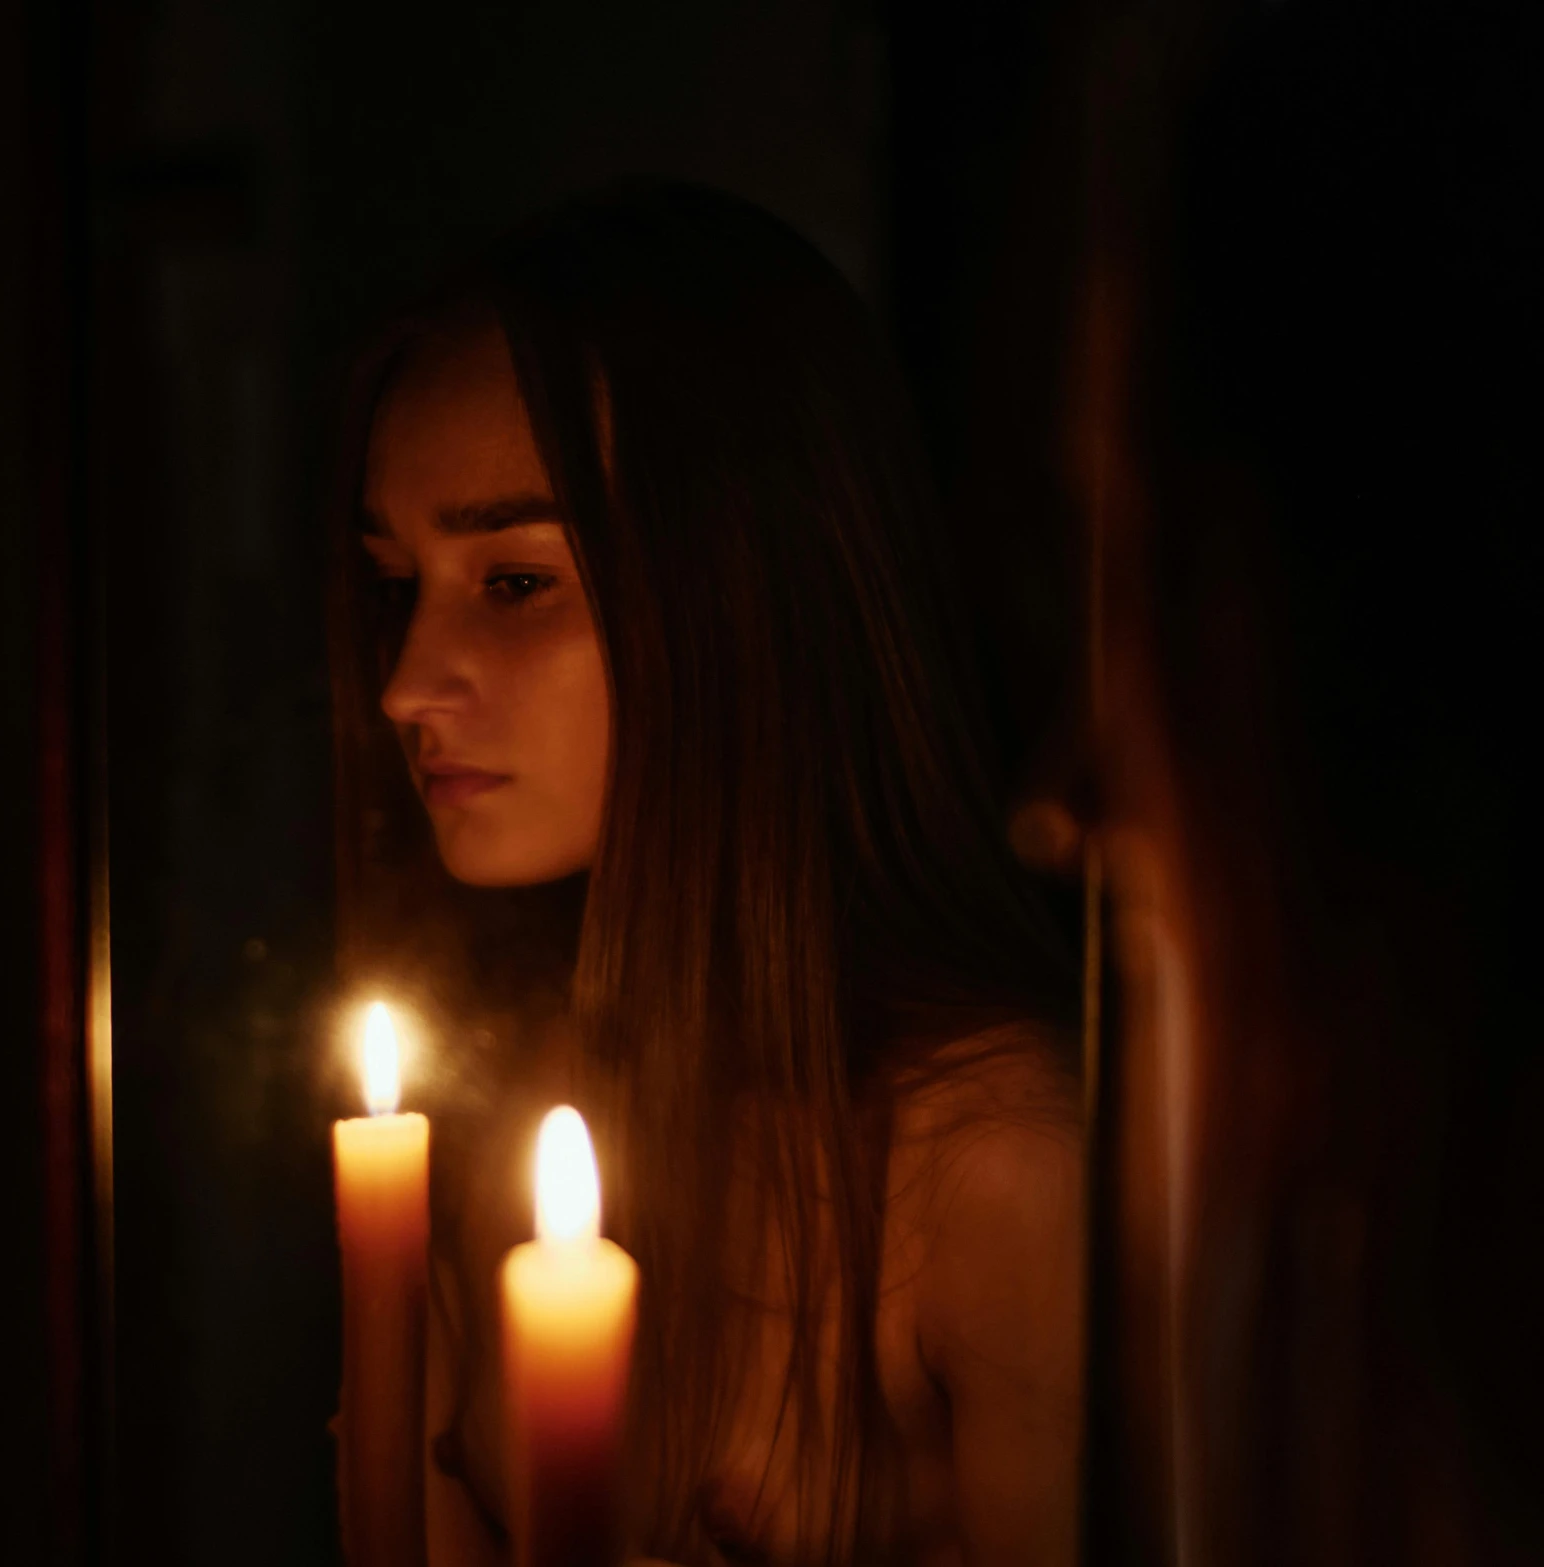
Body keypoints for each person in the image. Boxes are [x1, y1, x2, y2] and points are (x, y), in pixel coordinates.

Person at [327, 182, 1084, 1567]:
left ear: (738, 591)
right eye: (398, 582)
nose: (403, 687)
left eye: (511, 581)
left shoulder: (996, 1171)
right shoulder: (478, 1116)